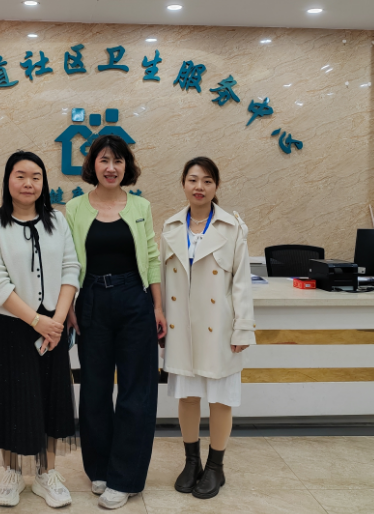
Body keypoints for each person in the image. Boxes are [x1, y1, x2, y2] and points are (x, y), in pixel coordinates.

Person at [0, 151, 80, 509]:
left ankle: (47, 475)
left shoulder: (57, 221)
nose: (28, 183)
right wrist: (37, 321)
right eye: (20, 176)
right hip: (10, 325)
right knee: (9, 399)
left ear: (43, 183)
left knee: (51, 398)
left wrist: (57, 321)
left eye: (36, 177)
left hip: (53, 325)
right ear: (8, 180)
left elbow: (70, 268)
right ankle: (12, 473)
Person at [65, 134, 165, 510]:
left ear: (127, 167)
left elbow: (151, 257)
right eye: (104, 160)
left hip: (134, 299)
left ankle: (125, 477)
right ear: (93, 165)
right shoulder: (74, 208)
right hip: (90, 299)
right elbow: (68, 261)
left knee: (136, 391)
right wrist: (68, 304)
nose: (111, 167)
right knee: (94, 390)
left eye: (118, 161)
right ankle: (100, 469)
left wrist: (157, 306)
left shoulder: (140, 206)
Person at [160, 157, 255, 499]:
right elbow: (162, 280)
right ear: (183, 183)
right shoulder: (171, 227)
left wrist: (242, 328)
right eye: (192, 180)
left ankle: (216, 467)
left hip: (219, 328)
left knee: (220, 399)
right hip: (182, 327)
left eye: (207, 181)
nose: (199, 187)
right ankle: (192, 462)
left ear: (216, 186)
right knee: (187, 396)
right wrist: (159, 320)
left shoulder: (232, 227)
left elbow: (241, 283)